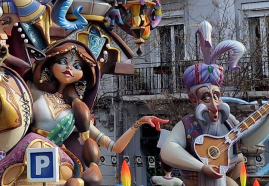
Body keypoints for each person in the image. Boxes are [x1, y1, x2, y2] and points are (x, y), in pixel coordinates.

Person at [160, 22, 269, 186]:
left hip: (227, 172)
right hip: (198, 178)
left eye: (216, 96)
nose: (214, 104)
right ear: (193, 99)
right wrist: (201, 167)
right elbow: (168, 150)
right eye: (206, 97)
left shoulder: (229, 121)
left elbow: (248, 140)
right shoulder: (188, 124)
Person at [28, 41, 167, 154]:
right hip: (26, 149)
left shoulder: (77, 114)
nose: (69, 68)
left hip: (53, 158)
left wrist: (138, 123)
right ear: (51, 64)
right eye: (63, 62)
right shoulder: (34, 90)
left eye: (76, 66)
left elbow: (115, 147)